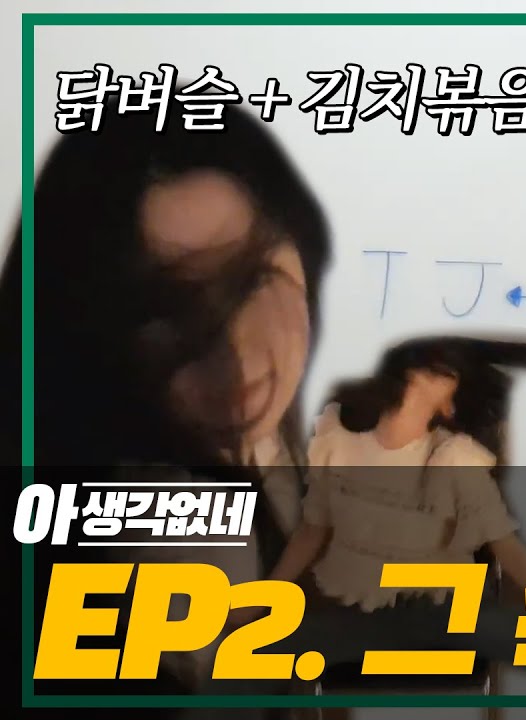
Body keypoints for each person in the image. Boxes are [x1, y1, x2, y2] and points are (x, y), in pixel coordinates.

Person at [5, 89, 332, 719]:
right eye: (170, 311)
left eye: (253, 281)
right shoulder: (171, 528)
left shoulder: (264, 458)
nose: (236, 353)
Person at [249, 334, 526, 720]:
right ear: (417, 375)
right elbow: (311, 532)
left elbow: (509, 549)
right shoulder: (338, 439)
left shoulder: (454, 457)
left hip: (445, 614)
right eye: (449, 377)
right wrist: (263, 599)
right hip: (354, 613)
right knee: (249, 662)